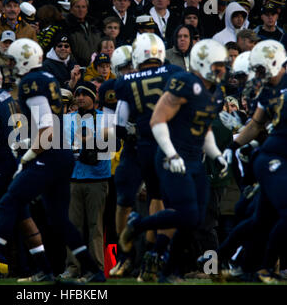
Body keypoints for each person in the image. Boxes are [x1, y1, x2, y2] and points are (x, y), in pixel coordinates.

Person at [0, 39, 106, 283]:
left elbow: (46, 128)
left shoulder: (32, 83)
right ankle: (94, 271)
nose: (10, 65)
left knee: (9, 202)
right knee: (58, 219)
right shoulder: (46, 77)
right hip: (59, 153)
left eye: (12, 60)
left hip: (49, 154)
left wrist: (28, 158)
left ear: (24, 59)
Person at [119, 39, 229, 281]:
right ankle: (140, 228)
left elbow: (205, 129)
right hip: (172, 155)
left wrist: (217, 155)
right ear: (203, 63)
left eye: (223, 64)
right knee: (187, 213)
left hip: (193, 158)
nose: (221, 69)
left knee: (196, 219)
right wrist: (171, 153)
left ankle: (165, 265)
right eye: (217, 64)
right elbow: (157, 120)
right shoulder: (185, 82)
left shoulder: (217, 92)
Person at [108, 33, 184, 280]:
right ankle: (153, 255)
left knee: (124, 199)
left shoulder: (125, 81)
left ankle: (127, 256)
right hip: (167, 144)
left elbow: (119, 124)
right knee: (160, 199)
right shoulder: (174, 72)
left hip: (137, 145)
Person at [217, 40, 287, 284]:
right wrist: (232, 146)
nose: (259, 75)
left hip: (277, 157)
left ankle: (230, 261)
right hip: (272, 158)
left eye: (260, 69)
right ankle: (265, 267)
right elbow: (256, 124)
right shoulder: (269, 90)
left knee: (261, 220)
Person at [61, 80, 111, 278]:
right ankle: (73, 267)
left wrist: (88, 145)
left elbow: (110, 146)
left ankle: (95, 268)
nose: (80, 97)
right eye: (78, 94)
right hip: (73, 178)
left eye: (85, 94)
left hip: (97, 178)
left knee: (95, 227)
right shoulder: (67, 119)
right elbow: (63, 146)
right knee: (73, 226)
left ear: (93, 97)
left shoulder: (105, 118)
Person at [65, 0, 102, 67]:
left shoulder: (94, 25)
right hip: (78, 68)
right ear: (71, 9)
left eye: (83, 7)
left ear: (87, 9)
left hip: (96, 67)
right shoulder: (66, 26)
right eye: (77, 7)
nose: (81, 10)